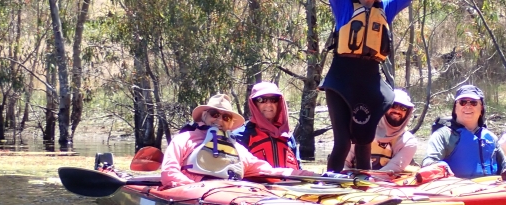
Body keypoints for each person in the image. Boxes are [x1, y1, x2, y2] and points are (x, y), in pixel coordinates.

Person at [321, 0, 413, 173]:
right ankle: (329, 183)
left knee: (364, 142)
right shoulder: (344, 6)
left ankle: (364, 186)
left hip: (369, 83)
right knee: (342, 143)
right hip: (341, 81)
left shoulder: (385, 8)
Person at [161, 94, 314, 188]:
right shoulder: (183, 139)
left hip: (226, 195)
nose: (219, 120)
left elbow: (268, 171)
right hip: (194, 194)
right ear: (204, 116)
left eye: (226, 117)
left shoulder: (237, 149)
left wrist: (308, 175)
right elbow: (169, 172)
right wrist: (195, 188)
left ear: (230, 124)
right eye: (215, 114)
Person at [421, 85, 506, 178]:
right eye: (463, 102)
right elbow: (428, 162)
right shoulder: (443, 135)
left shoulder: (491, 138)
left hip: (492, 189)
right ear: (455, 107)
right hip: (455, 190)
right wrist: (440, 168)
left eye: (473, 103)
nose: (468, 106)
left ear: (481, 107)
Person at [344, 88, 418, 172]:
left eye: (403, 108)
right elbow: (343, 161)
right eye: (393, 105)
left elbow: (394, 167)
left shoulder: (408, 142)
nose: (397, 110)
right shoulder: (362, 131)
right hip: (352, 180)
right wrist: (346, 177)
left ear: (408, 112)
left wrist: (368, 180)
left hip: (383, 182)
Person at [232, 82, 302, 170]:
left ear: (279, 103)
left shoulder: (288, 137)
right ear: (254, 104)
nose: (269, 104)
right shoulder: (241, 135)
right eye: (262, 100)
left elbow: (299, 169)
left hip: (289, 183)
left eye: (273, 99)